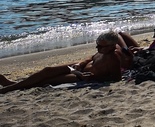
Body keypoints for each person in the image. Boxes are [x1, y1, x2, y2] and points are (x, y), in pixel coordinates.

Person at [0, 31, 129, 93]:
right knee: (48, 70)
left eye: (101, 46)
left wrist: (94, 77)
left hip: (81, 76)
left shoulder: (113, 58)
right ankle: (14, 84)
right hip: (81, 68)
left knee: (47, 80)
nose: (98, 48)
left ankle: (10, 88)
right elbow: (91, 57)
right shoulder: (103, 51)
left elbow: (116, 79)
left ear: (112, 47)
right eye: (97, 45)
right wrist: (81, 63)